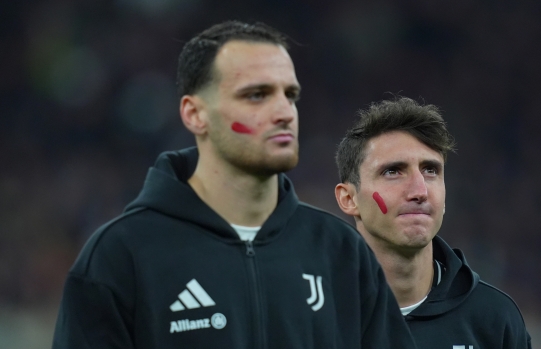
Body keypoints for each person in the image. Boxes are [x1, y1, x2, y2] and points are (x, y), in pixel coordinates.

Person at [51, 21, 416, 349]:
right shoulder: (120, 257)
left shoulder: (340, 252)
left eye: (290, 95)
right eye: (256, 95)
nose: (284, 112)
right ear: (195, 114)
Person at [334, 96, 532, 348]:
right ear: (349, 198)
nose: (420, 190)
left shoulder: (493, 319)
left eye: (431, 171)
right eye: (393, 171)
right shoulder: (306, 313)